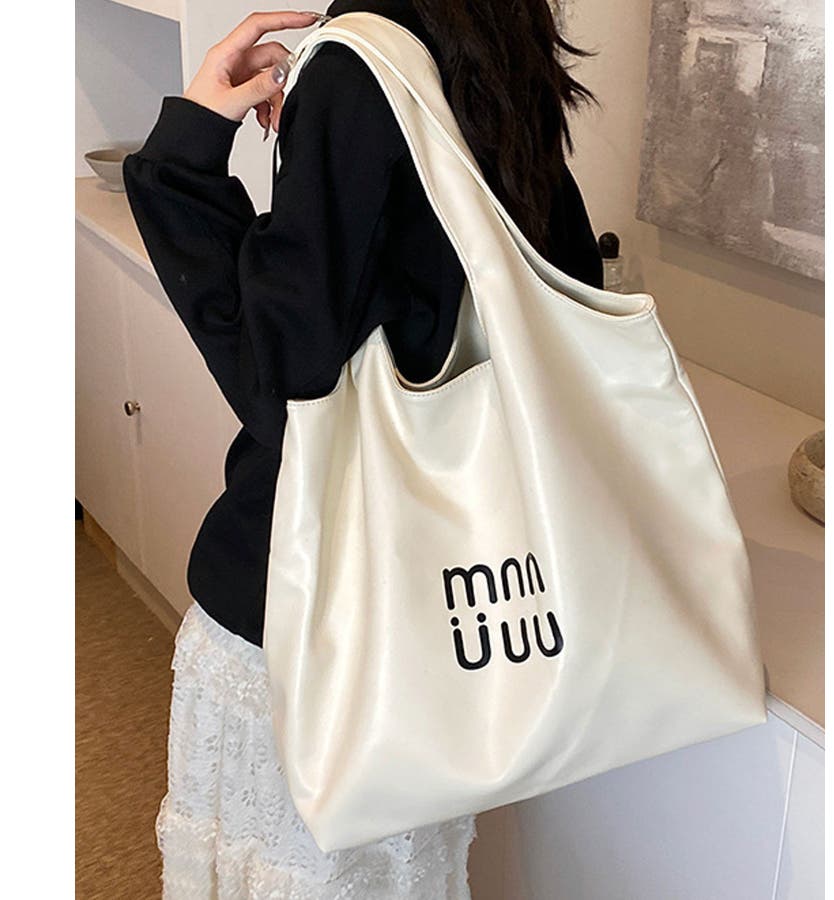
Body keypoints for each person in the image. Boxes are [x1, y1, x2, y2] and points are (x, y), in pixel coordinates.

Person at [122, 0, 604, 895]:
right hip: (456, 601)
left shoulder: (356, 67)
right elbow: (560, 283)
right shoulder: (497, 32)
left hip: (313, 614)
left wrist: (183, 159)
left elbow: (284, 389)